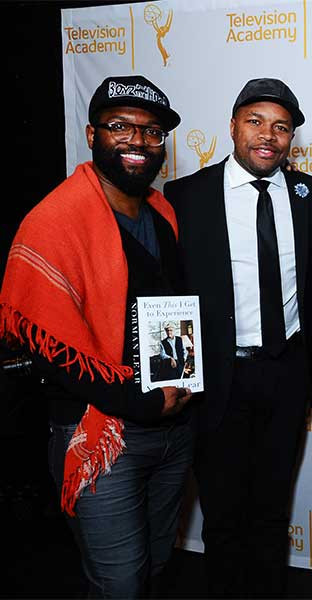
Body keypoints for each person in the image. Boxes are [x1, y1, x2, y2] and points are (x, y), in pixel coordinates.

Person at [0, 75, 192, 597]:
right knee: (119, 584)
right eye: (121, 127)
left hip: (172, 429)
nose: (138, 142)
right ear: (91, 135)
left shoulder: (163, 211)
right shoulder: (54, 221)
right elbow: (50, 345)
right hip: (101, 434)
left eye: (152, 133)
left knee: (154, 568)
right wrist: (138, 400)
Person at [164, 78, 312, 597]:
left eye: (281, 127)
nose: (268, 135)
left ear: (291, 140)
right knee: (222, 514)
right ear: (233, 125)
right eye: (256, 121)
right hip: (216, 377)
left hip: (285, 374)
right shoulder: (186, 196)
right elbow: (170, 294)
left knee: (269, 512)